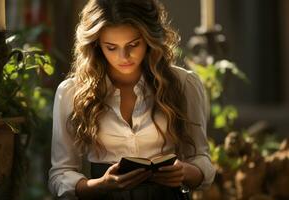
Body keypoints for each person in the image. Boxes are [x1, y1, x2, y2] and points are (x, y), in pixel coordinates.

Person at [48, 0, 215, 199]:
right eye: (111, 47)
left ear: (149, 39)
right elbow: (60, 174)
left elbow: (201, 159)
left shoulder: (183, 84)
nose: (124, 56)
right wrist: (99, 185)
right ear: (96, 45)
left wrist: (185, 172)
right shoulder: (72, 92)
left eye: (133, 44)